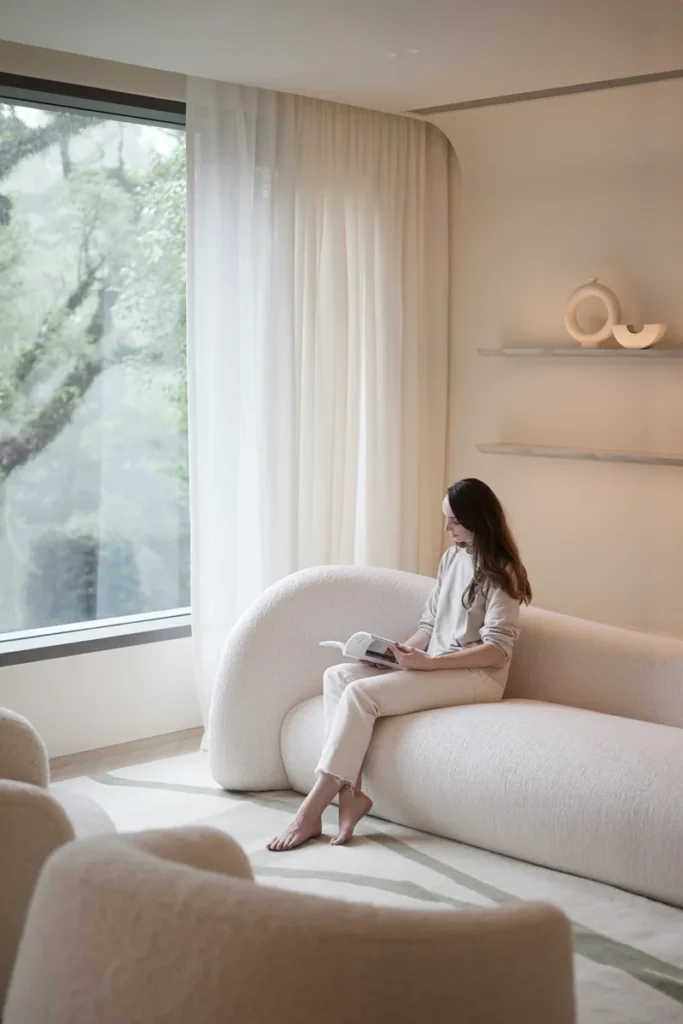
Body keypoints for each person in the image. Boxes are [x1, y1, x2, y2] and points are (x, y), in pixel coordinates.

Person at [267, 477, 532, 852]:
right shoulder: (452, 557)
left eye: (453, 520)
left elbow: (497, 651)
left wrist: (428, 665)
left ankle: (311, 810)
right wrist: (396, 656)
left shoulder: (502, 572)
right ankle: (350, 795)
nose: (446, 528)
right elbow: (429, 625)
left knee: (361, 696)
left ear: (477, 520)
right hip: (436, 664)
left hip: (477, 676)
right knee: (338, 676)